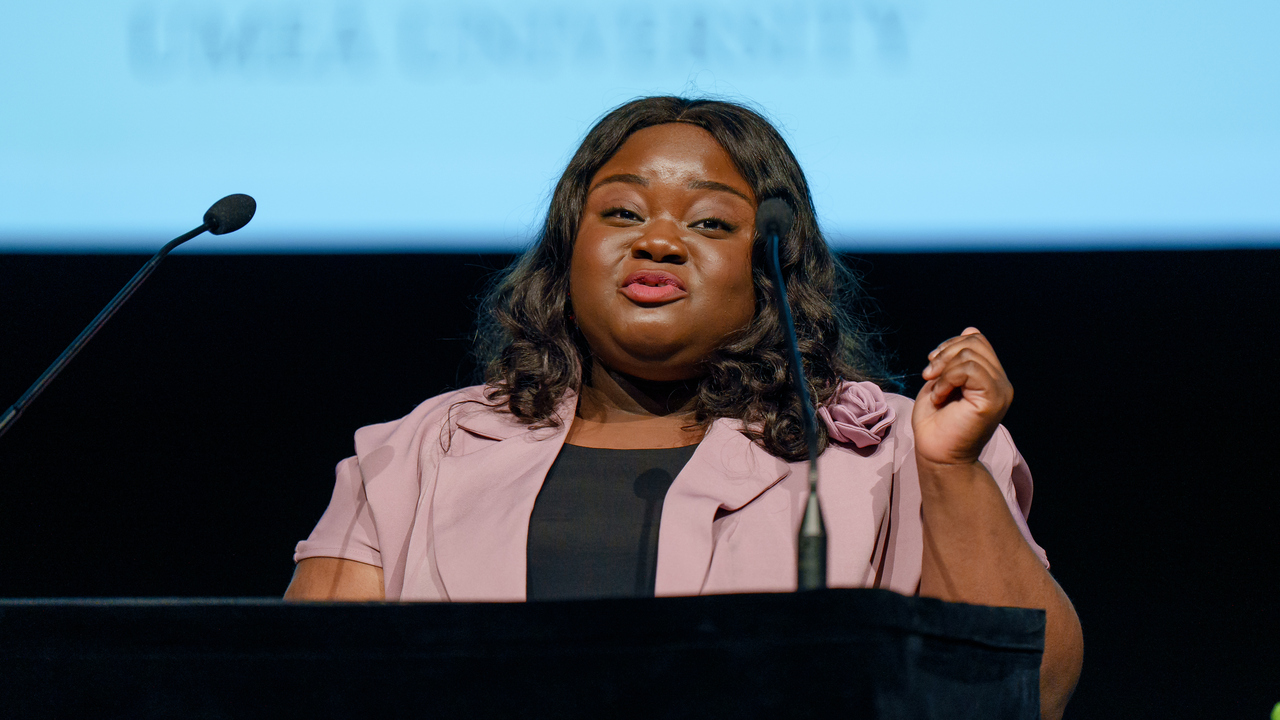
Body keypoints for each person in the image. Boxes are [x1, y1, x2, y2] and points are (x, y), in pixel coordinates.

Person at [284, 96, 1083, 717]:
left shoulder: (903, 448)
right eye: (623, 213)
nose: (658, 242)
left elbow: (1026, 693)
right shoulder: (420, 450)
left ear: (770, 272)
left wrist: (951, 472)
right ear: (568, 253)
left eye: (709, 222)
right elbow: (300, 689)